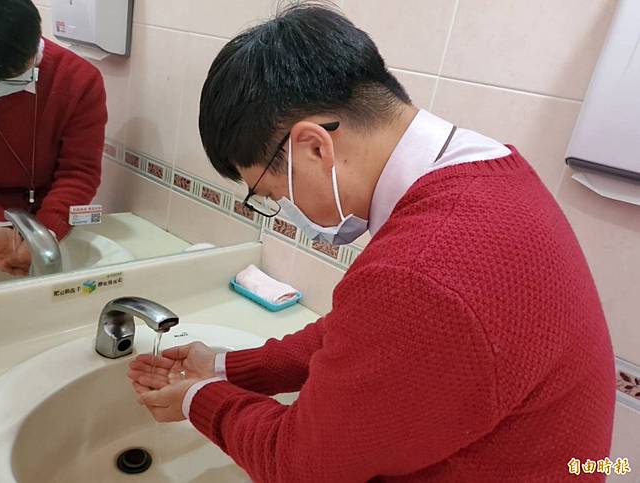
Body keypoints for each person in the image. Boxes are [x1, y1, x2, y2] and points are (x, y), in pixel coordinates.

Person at [128, 4, 616, 482]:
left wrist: (198, 399)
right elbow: (363, 335)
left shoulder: (420, 271)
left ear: (314, 147)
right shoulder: (491, 171)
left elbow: (298, 466)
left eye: (272, 194)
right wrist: (226, 366)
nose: (285, 210)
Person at [0, 0, 107, 276]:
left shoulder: (79, 81)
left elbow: (79, 173)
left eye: (15, 78)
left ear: (36, 44)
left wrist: (45, 233)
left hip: (49, 216)